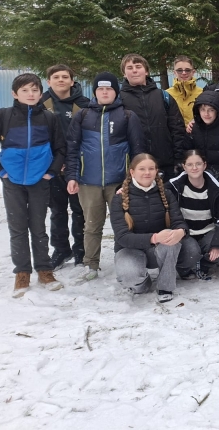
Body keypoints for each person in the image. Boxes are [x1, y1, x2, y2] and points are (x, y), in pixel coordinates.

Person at [0, 73, 66, 296]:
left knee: (38, 227)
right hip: (12, 182)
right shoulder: (3, 116)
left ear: (41, 93)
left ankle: (44, 270)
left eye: (35, 90)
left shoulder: (49, 118)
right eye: (25, 90)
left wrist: (51, 172)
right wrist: (1, 171)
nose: (30, 94)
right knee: (17, 228)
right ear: (14, 94)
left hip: (39, 181)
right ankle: (22, 273)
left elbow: (61, 148)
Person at [65, 72, 145, 282]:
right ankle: (91, 263)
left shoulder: (127, 116)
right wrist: (72, 176)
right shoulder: (82, 115)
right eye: (100, 89)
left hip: (119, 182)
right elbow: (72, 149)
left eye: (109, 89)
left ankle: (125, 262)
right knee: (92, 225)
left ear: (116, 92)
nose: (105, 92)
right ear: (95, 92)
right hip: (88, 182)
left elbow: (138, 150)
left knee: (124, 225)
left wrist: (133, 180)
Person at [110, 153, 196, 302]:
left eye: (151, 168)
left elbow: (178, 221)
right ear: (132, 172)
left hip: (160, 248)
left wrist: (181, 231)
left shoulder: (166, 194)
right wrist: (154, 238)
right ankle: (142, 284)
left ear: (156, 171)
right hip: (131, 249)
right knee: (129, 274)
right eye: (142, 169)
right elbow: (122, 237)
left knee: (189, 249)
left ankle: (165, 286)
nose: (147, 172)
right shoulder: (119, 198)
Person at [40, 64, 90, 268]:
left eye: (65, 77)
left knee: (80, 211)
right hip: (51, 167)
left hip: (78, 167)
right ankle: (61, 249)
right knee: (57, 211)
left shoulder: (84, 104)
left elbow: (90, 136)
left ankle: (81, 250)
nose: (61, 80)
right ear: (48, 81)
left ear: (72, 81)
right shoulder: (40, 103)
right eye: (56, 77)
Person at [118, 53, 186, 181]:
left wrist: (178, 158)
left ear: (146, 71)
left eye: (138, 66)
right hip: (135, 166)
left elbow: (177, 129)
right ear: (124, 73)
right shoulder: (118, 99)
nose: (134, 70)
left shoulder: (163, 96)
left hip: (165, 165)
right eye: (130, 68)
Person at [168, 151, 219, 279]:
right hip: (184, 234)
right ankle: (184, 268)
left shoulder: (215, 189)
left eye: (198, 164)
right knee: (191, 252)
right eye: (190, 164)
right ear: (184, 166)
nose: (194, 168)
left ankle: (204, 265)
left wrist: (217, 245)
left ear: (204, 165)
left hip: (207, 232)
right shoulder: (174, 187)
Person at [186, 91, 219, 186]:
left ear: (217, 111)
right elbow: (186, 150)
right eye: (203, 110)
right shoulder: (193, 128)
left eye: (211, 110)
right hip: (199, 175)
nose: (206, 114)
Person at [166, 55, 203, 126]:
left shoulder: (202, 93)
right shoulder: (167, 94)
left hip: (196, 132)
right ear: (174, 72)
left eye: (187, 70)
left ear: (193, 72)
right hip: (175, 132)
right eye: (179, 70)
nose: (184, 73)